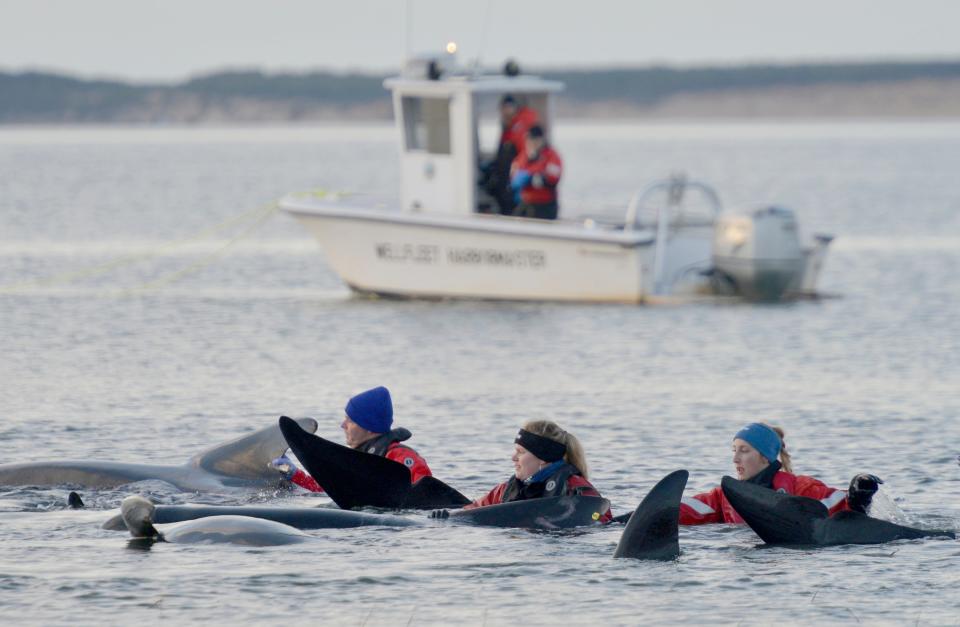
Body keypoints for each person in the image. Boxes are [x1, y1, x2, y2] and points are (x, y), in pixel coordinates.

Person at [679, 422, 882, 525]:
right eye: (734, 450)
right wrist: (659, 507)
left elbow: (840, 504)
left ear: (765, 457)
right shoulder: (724, 496)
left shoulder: (800, 488)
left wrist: (858, 493)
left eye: (744, 450)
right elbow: (688, 510)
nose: (735, 459)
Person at [270, 386, 432, 492]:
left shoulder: (402, 457)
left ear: (368, 426)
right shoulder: (358, 459)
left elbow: (426, 494)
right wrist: (293, 474)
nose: (343, 425)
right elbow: (331, 490)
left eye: (350, 420)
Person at [455, 420, 613, 523]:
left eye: (521, 452)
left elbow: (600, 521)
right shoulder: (503, 491)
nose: (513, 458)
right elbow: (467, 515)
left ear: (543, 458)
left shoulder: (577, 489)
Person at [482, 94, 539, 214]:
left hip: (515, 172)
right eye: (504, 108)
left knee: (508, 197)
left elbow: (525, 152)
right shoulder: (509, 127)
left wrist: (518, 170)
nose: (506, 111)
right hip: (506, 172)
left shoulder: (519, 127)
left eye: (509, 107)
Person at [509, 125, 563, 220]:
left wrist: (532, 178)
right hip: (526, 202)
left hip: (545, 204)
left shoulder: (551, 156)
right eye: (529, 140)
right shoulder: (523, 156)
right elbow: (514, 175)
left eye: (534, 140)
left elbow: (552, 178)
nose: (532, 143)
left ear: (541, 140)